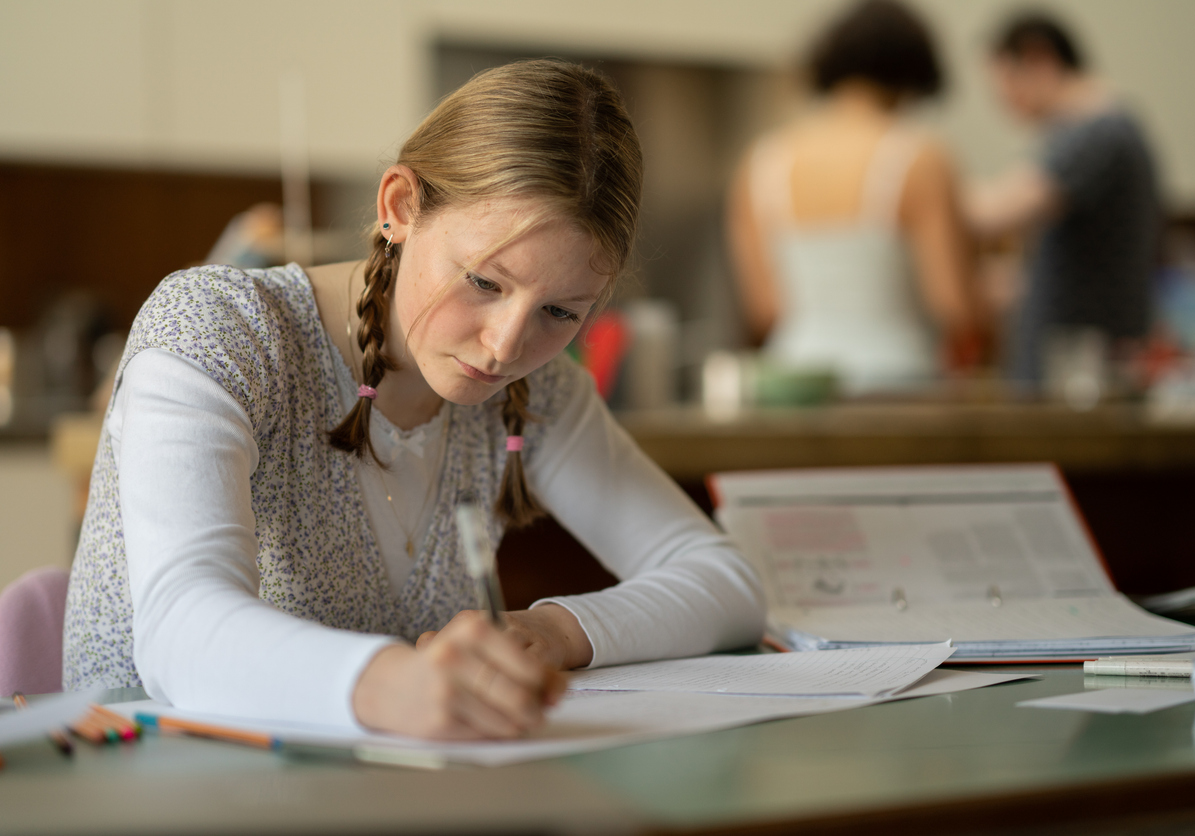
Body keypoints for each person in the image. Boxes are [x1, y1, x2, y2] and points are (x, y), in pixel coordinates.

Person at [62, 60, 765, 740]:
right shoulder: (221, 329)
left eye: (559, 313)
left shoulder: (535, 386)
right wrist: (393, 683)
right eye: (484, 283)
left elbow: (725, 581)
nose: (503, 347)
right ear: (400, 206)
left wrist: (552, 632)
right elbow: (179, 630)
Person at [728, 0, 985, 394]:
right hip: (901, 382)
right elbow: (953, 305)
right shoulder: (920, 157)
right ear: (912, 72)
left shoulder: (762, 161)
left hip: (796, 383)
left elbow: (764, 310)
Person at [966, 13, 1160, 385]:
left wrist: (915, 175)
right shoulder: (1098, 131)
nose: (1005, 103)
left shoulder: (1096, 133)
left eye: (1005, 84)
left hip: (1075, 375)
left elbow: (993, 211)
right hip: (1073, 366)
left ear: (1039, 58)